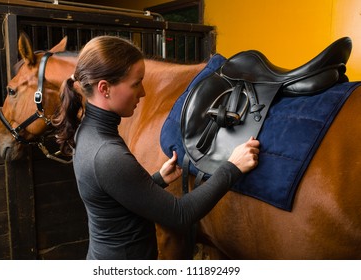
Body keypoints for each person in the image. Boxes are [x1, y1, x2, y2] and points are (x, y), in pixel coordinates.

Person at [53, 36, 260, 260]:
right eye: (135, 83)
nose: (142, 92)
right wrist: (233, 166)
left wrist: (158, 179)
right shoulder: (107, 154)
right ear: (104, 88)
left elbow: (117, 197)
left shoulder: (88, 132)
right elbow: (181, 215)